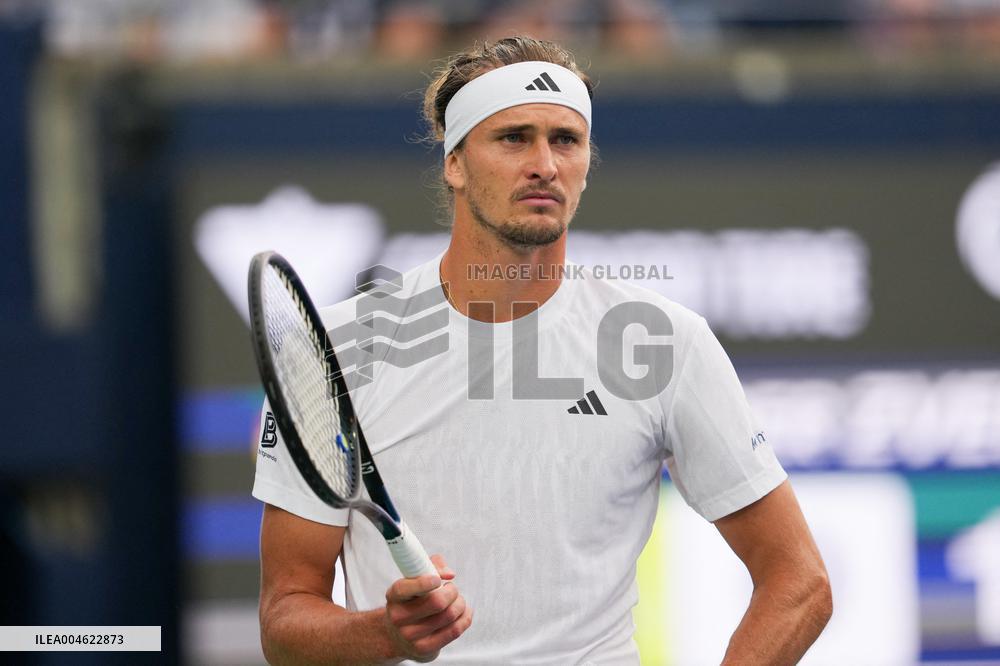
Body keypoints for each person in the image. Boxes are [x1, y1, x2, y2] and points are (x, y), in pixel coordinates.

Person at [252, 36, 832, 664]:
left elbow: (800, 582)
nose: (545, 165)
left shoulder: (663, 342)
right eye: (513, 138)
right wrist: (384, 635)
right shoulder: (342, 347)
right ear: (455, 162)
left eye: (565, 140)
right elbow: (285, 618)